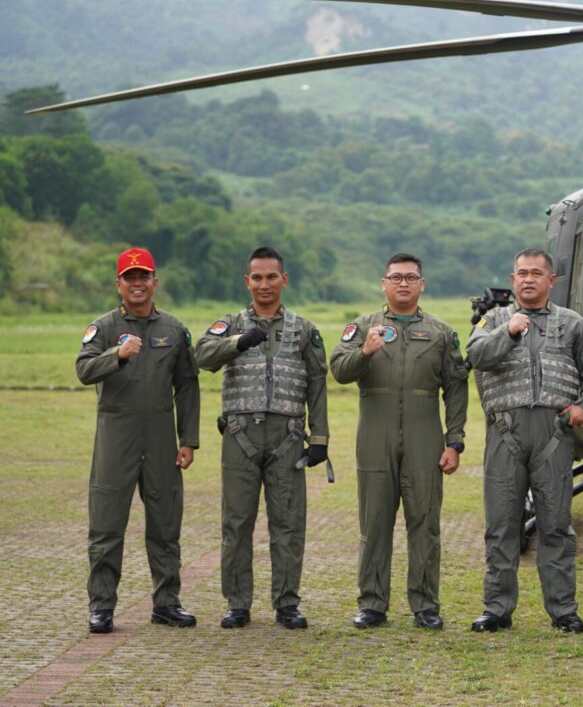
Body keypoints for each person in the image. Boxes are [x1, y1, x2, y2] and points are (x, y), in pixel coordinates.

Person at [466, 248, 583, 633]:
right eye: (521, 273)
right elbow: (476, 356)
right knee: (501, 525)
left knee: (556, 524)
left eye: (536, 273)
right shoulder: (492, 320)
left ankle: (563, 610)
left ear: (551, 281)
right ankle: (497, 608)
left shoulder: (573, 324)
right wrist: (508, 331)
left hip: (554, 434)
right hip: (505, 433)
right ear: (512, 280)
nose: (528, 279)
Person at [330, 253, 468, 631]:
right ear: (383, 284)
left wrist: (454, 442)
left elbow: (456, 388)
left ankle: (425, 604)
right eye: (396, 278)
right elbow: (339, 372)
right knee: (374, 523)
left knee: (425, 522)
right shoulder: (362, 328)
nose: (403, 284)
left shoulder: (440, 332)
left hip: (426, 435)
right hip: (375, 433)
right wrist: (366, 352)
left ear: (422, 284)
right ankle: (372, 603)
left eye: (411, 277)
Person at [195, 246, 329, 630]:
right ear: (246, 281)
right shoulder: (230, 323)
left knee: (288, 523)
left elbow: (318, 383)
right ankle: (238, 603)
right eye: (257, 277)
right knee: (236, 522)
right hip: (240, 436)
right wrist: (238, 342)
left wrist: (319, 437)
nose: (265, 284)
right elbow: (202, 356)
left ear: (284, 279)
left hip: (287, 437)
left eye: (272, 277)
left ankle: (286, 603)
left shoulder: (304, 330)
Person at [76, 247, 200, 634]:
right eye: (129, 277)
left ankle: (166, 603)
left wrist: (189, 439)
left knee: (165, 524)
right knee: (107, 526)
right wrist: (117, 354)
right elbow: (83, 369)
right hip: (117, 434)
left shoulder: (174, 329)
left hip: (162, 435)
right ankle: (101, 607)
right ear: (118, 285)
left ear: (154, 282)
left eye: (143, 276)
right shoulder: (104, 327)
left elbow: (187, 386)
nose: (137, 283)